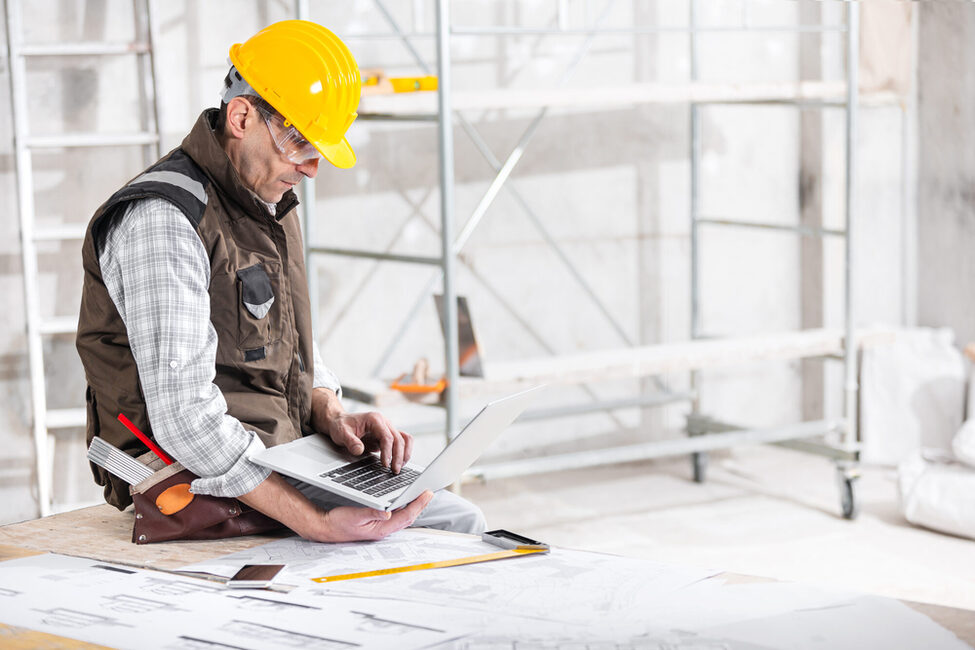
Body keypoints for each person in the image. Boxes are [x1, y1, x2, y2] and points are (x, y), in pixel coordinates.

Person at [75, 20, 485, 542]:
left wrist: (327, 407)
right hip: (185, 480)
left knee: (445, 512)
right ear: (242, 115)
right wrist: (315, 522)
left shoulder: (265, 199)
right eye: (301, 143)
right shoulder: (163, 220)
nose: (313, 168)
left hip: (278, 452)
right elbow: (184, 420)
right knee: (454, 525)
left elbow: (274, 336)